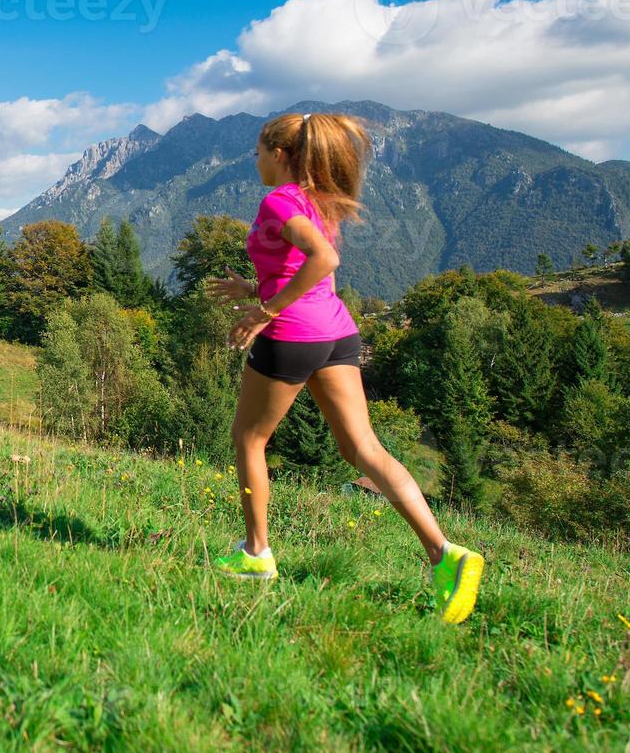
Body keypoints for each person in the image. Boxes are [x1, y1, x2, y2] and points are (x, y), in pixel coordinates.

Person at [204, 111, 484, 624]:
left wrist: (267, 310)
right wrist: (254, 289)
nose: (256, 160)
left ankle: (256, 553)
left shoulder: (279, 200)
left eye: (260, 151)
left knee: (249, 438)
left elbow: (322, 260)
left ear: (281, 154)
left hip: (291, 336)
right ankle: (445, 554)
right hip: (336, 332)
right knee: (364, 449)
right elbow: (297, 267)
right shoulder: (318, 200)